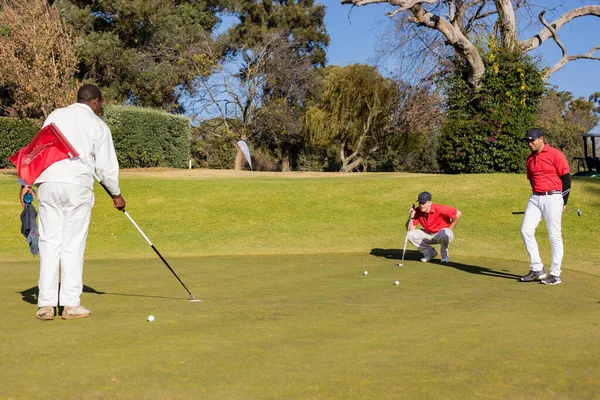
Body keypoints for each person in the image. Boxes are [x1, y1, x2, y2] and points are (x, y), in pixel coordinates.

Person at [19, 84, 126, 320]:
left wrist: (26, 182)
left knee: (49, 243)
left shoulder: (56, 115)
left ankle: (46, 305)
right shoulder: (98, 125)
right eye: (101, 104)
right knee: (72, 245)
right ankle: (70, 305)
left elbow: (38, 149)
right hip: (77, 186)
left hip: (49, 184)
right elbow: (106, 167)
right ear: (95, 102)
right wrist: (116, 195)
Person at [519, 128, 570, 285]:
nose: (530, 143)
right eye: (528, 140)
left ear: (541, 139)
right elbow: (532, 179)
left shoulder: (555, 154)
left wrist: (564, 201)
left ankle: (555, 274)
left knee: (554, 234)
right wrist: (537, 195)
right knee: (525, 230)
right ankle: (537, 269)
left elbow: (566, 179)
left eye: (532, 140)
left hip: (553, 197)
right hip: (536, 197)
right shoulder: (529, 159)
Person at [406, 191, 462, 263]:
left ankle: (445, 256)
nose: (421, 205)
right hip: (429, 234)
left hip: (443, 234)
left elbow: (458, 214)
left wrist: (450, 228)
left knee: (443, 234)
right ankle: (429, 252)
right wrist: (412, 216)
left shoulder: (440, 208)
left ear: (430, 203)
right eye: (420, 203)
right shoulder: (417, 211)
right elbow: (411, 229)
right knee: (410, 235)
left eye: (423, 203)